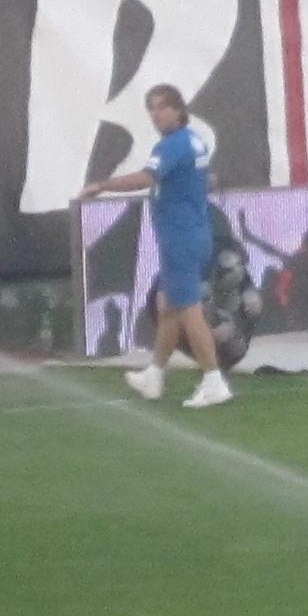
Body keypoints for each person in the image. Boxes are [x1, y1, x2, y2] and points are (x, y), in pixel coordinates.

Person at [114, 84, 233, 412]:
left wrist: (101, 186)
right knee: (168, 305)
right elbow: (201, 178)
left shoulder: (172, 145)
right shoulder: (194, 141)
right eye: (151, 107)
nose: (156, 114)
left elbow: (145, 179)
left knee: (189, 312)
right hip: (191, 234)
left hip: (180, 239)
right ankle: (154, 374)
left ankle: (213, 380)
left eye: (162, 107)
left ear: (179, 109)